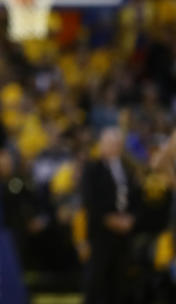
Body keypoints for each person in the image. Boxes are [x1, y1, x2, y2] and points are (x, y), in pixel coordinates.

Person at [81, 127, 140, 304]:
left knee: (120, 281)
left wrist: (131, 219)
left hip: (124, 234)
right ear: (101, 145)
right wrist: (109, 219)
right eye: (110, 143)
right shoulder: (92, 168)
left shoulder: (128, 169)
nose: (114, 147)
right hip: (101, 233)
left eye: (117, 143)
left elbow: (136, 197)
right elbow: (89, 200)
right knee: (97, 280)